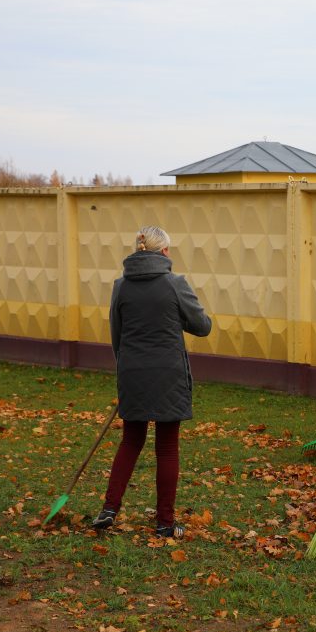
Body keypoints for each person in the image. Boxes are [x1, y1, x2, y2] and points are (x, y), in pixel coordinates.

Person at [92, 226, 212, 537]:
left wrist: (127, 370)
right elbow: (203, 326)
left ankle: (109, 509)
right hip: (168, 374)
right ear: (165, 252)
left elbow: (116, 335)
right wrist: (177, 318)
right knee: (167, 447)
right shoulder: (175, 284)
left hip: (132, 371)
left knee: (131, 442)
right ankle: (165, 524)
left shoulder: (121, 286)